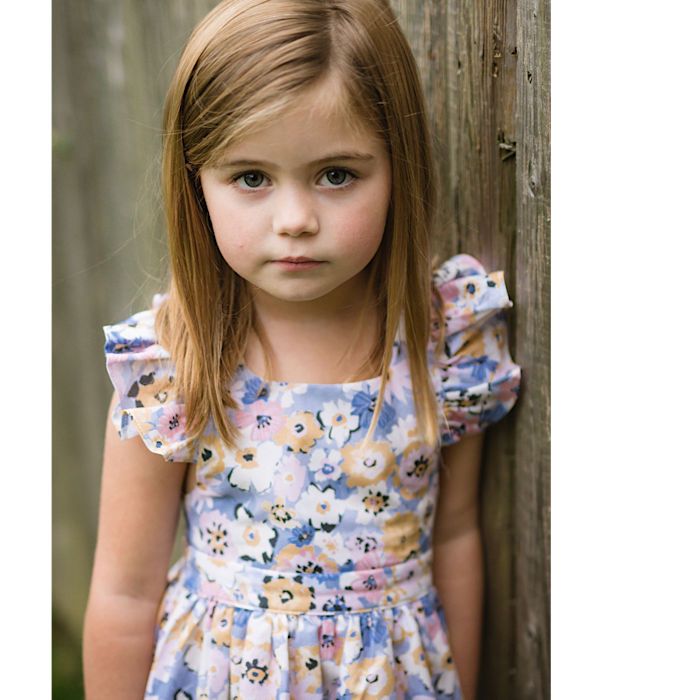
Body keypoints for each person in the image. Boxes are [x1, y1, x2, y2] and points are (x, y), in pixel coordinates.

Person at [82, 1, 520, 698]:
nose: (295, 221)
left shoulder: (445, 343)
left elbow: (455, 538)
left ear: (398, 166)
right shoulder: (172, 367)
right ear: (196, 183)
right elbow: (124, 594)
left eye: (336, 174)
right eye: (251, 177)